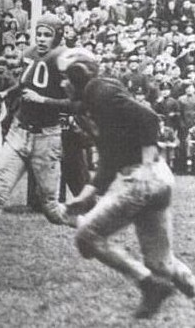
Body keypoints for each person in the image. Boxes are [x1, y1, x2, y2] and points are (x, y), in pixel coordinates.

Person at [62, 49, 195, 319]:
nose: (62, 84)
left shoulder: (99, 90)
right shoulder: (94, 100)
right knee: (161, 261)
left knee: (87, 235)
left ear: (78, 75)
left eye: (65, 77)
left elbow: (149, 117)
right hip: (157, 177)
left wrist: (145, 164)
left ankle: (149, 285)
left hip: (142, 176)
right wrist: (86, 194)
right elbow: (110, 159)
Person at [0, 14, 74, 276]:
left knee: (52, 209)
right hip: (19, 133)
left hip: (47, 137)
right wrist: (4, 95)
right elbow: (25, 84)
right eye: (39, 34)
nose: (41, 39)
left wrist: (43, 101)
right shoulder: (31, 54)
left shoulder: (65, 60)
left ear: (57, 36)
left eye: (47, 35)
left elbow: (77, 103)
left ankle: (97, 225)